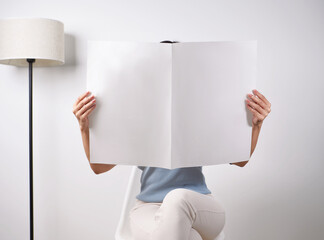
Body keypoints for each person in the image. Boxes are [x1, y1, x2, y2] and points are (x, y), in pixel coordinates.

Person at [72, 56, 271, 240]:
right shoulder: (137, 117)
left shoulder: (200, 114)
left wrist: (256, 125)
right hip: (148, 209)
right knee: (189, 236)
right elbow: (99, 167)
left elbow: (240, 160)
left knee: (177, 198)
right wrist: (84, 128)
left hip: (200, 205)